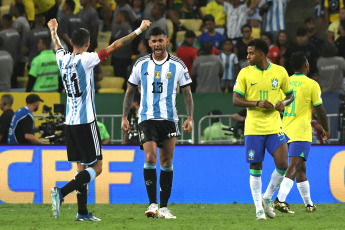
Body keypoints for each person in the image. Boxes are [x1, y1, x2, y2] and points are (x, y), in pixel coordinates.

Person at [48, 18, 151, 221]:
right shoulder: (87, 59)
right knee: (97, 168)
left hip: (70, 122)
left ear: (72, 43)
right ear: (87, 44)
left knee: (81, 168)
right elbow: (115, 46)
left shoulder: (62, 58)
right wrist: (139, 29)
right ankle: (61, 192)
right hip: (86, 122)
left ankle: (82, 212)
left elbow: (57, 45)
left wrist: (53, 30)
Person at [121, 26, 194, 219]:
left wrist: (190, 117)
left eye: (160, 40)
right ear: (149, 43)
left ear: (167, 41)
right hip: (146, 118)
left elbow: (187, 92)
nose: (157, 44)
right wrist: (124, 116)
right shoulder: (141, 64)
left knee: (167, 161)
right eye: (153, 41)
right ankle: (152, 204)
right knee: (150, 157)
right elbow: (130, 91)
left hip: (170, 119)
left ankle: (164, 207)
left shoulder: (178, 65)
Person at [233, 39, 294, 220]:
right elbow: (236, 99)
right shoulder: (245, 73)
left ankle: (266, 198)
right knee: (256, 166)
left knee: (283, 164)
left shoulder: (280, 71)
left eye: (251, 53)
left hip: (275, 126)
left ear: (261, 54)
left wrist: (283, 103)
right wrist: (256, 103)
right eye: (247, 53)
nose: (248, 56)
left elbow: (290, 94)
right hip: (254, 128)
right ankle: (259, 209)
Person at [273, 52, 330, 213]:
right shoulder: (312, 84)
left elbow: (278, 105)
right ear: (306, 65)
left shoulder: (286, 82)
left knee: (301, 168)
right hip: (301, 131)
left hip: (284, 130)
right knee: (295, 165)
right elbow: (320, 110)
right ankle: (280, 199)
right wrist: (326, 128)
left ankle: (309, 204)